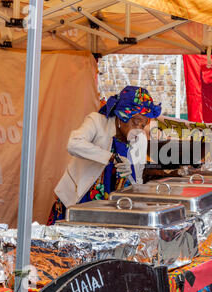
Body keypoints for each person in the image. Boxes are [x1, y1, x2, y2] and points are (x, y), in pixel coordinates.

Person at [47, 86, 161, 225]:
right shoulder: (97, 122)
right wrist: (111, 157)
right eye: (136, 121)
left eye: (144, 124)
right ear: (122, 115)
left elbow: (136, 179)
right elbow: (73, 144)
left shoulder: (140, 139)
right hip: (77, 198)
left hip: (112, 207)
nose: (139, 129)